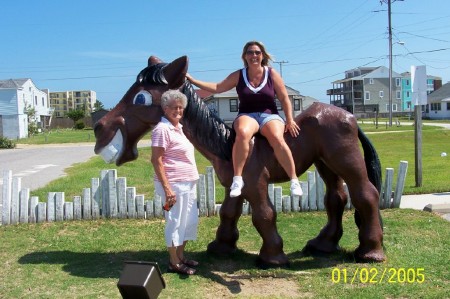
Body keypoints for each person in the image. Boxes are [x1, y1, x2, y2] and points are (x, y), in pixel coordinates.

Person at [186, 40, 302, 197]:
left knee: (277, 137)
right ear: (244, 56)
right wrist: (193, 80)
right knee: (242, 133)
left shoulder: (271, 73)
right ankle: (237, 179)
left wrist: (290, 119)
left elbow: (283, 97)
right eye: (250, 52)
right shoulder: (239, 75)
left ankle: (294, 180)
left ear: (263, 56)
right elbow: (218, 87)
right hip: (247, 114)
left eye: (257, 52)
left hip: (269, 114)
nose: (253, 55)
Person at [151, 89, 199, 275]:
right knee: (174, 221)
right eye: (174, 107)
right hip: (173, 185)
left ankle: (180, 256)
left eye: (180, 108)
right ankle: (173, 262)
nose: (178, 111)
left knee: (189, 221)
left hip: (188, 183)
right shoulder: (162, 129)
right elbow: (157, 160)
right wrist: (167, 189)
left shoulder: (178, 128)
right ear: (165, 108)